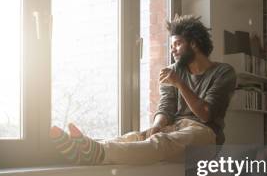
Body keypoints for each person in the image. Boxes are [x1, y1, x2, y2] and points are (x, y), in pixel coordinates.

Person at [49, 14, 236, 165]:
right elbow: (166, 108)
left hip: (206, 136)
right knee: (139, 136)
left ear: (194, 44)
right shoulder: (172, 71)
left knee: (161, 142)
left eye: (177, 44)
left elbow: (205, 115)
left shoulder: (223, 72)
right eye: (171, 46)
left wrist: (179, 83)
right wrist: (157, 126)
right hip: (177, 127)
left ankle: (97, 153)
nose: (173, 50)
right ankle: (83, 148)